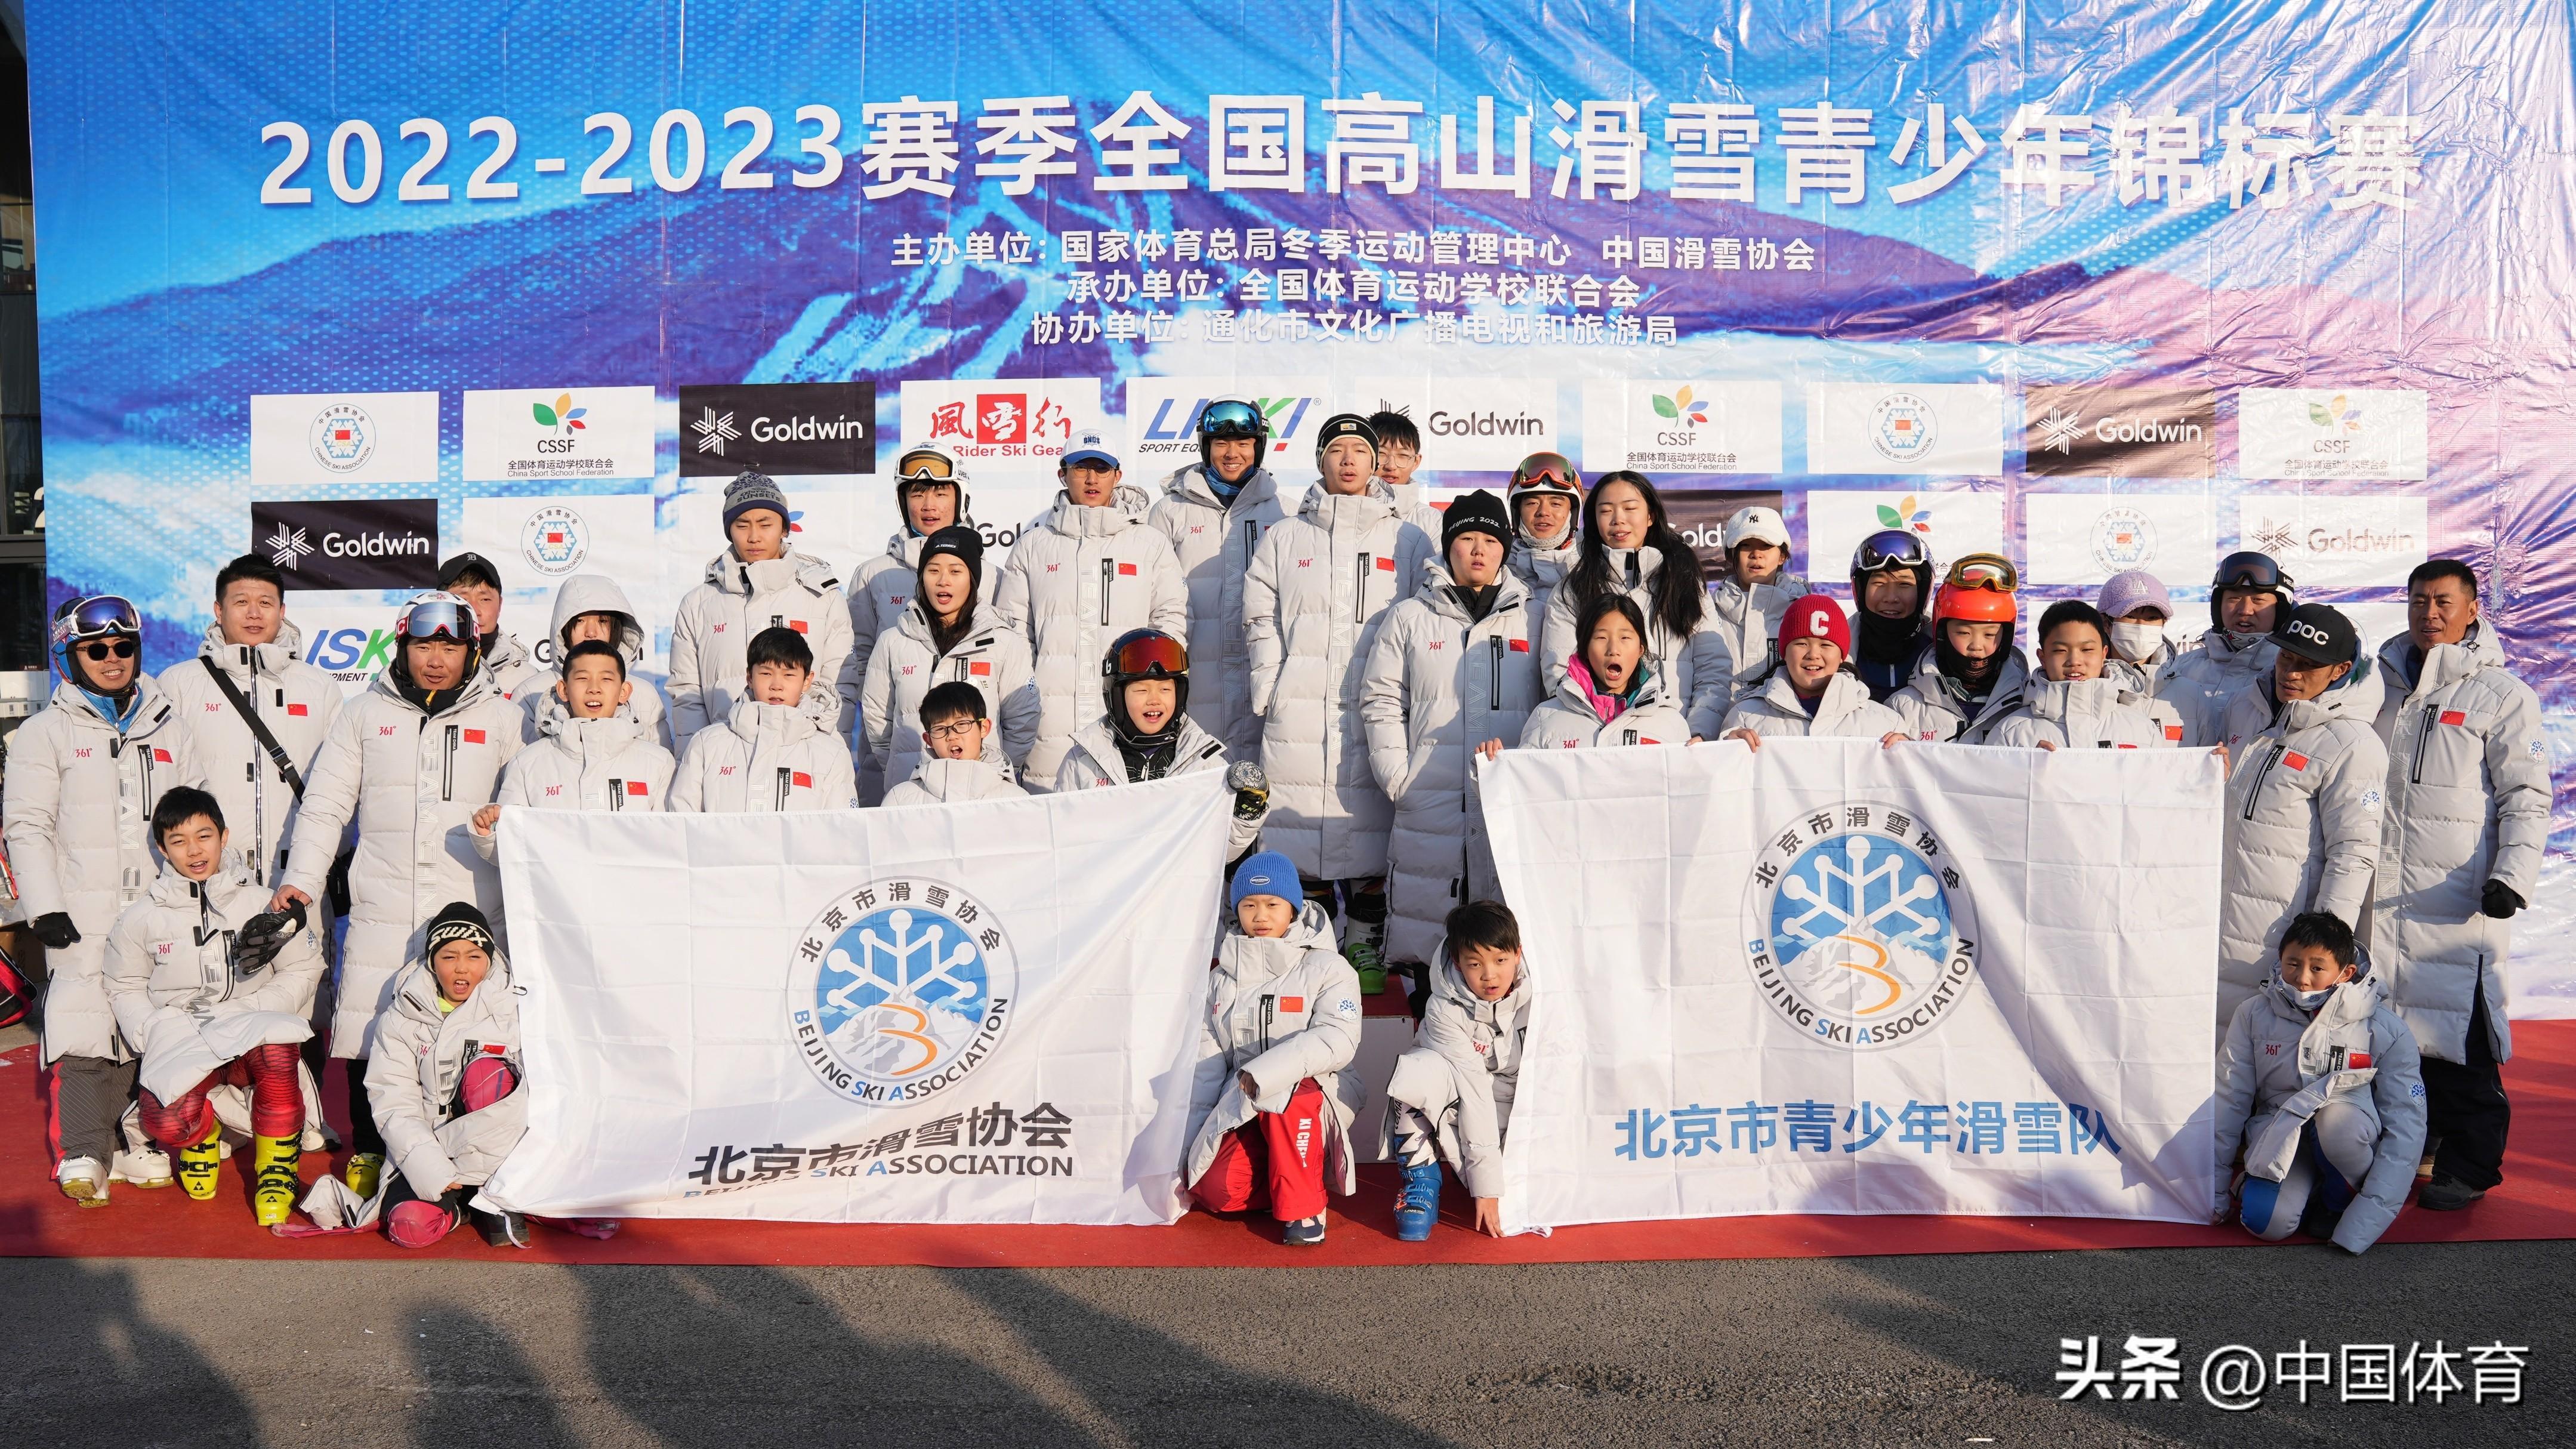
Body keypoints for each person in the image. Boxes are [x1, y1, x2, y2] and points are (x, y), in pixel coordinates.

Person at [273, 590, 525, 1199]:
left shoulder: (503, 720)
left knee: (469, 1034)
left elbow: (524, 815)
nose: (436, 659)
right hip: (383, 906)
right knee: (371, 1024)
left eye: (450, 647)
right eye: (423, 646)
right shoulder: (364, 714)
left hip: (469, 904)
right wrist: (301, 879)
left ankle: (465, 1154)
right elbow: (326, 805)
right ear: (402, 646)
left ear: (472, 652)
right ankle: (368, 1148)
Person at [6, 596, 207, 1204]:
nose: (112, 658)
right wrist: (44, 905)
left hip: (156, 908)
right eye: (96, 649)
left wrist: (198, 893)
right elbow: (27, 826)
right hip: (80, 911)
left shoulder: (171, 726)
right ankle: (83, 1149)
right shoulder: (45, 732)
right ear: (69, 657)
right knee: (85, 1030)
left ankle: (133, 1142)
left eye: (124, 647)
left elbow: (195, 818)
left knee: (152, 1029)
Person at [2366, 560, 2550, 1211]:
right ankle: (2418, 1138)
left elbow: (2527, 795)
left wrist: (2511, 877)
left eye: (2443, 602)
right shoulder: (2378, 686)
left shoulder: (2502, 695)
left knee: (2460, 1032)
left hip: (2458, 899)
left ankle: (2469, 1164)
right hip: (2384, 897)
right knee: (2392, 1031)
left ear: (2473, 609)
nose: (2429, 614)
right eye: (2419, 601)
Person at [1244, 414, 1436, 988]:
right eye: (1336, 450)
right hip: (1299, 706)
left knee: (1373, 829)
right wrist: (1270, 684)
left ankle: (1364, 943)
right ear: (1320, 460)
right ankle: (1312, 942)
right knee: (1298, 829)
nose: (1348, 460)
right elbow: (1259, 615)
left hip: (1376, 707)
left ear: (1375, 464)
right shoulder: (1285, 536)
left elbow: (1423, 617)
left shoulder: (1406, 538)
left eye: (1359, 451)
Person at [104, 788, 327, 1225]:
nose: (194, 851)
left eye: (204, 836)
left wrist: (257, 1010)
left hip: (249, 1034)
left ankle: (276, 1170)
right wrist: (152, 1031)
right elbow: (123, 983)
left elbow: (305, 966)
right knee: (169, 1123)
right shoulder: (141, 917)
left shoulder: (264, 902)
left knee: (278, 1048)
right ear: (162, 849)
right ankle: (203, 1137)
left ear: (224, 836)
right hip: (184, 1037)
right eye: (179, 841)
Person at [1360, 490, 1542, 981]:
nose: (1478, 550)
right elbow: (1380, 698)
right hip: (1428, 796)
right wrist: (1397, 776)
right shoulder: (1410, 616)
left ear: (1505, 548)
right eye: (1466, 538)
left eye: (1490, 539)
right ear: (1448, 545)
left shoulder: (1534, 616)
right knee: (1428, 940)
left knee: (1501, 950)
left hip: (1506, 796)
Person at [2216, 603, 2387, 1029]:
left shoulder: (2352, 743)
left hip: (2281, 939)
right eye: (2285, 657)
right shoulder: (2246, 709)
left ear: (2340, 670)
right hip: (2213, 921)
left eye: (2307, 665)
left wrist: (2324, 946)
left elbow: (2353, 852)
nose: (2290, 672)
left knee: (2268, 1056)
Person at [2214, 912, 2426, 1254]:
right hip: (2279, 1133)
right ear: (2279, 960)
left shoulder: (2384, 1028)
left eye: (2317, 968)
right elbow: (2228, 1098)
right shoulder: (2253, 1014)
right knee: (2264, 1224)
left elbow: (2408, 1125)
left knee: (2337, 1123)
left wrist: (2361, 1227)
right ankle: (2304, 1189)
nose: (2302, 979)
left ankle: (2338, 1201)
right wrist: (2212, 1189)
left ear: (2346, 973)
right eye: (2293, 964)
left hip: (2347, 1138)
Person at [1182, 852, 1365, 1247]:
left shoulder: (1328, 968)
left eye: (1272, 904)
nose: (1260, 916)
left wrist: (1267, 1072)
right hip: (1241, 1099)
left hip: (1316, 1091)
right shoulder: (1220, 979)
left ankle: (1304, 1209)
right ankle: (1291, 1179)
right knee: (1217, 1192)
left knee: (1286, 1092)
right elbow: (1206, 1067)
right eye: (1249, 905)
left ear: (1293, 909)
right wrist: (1186, 1151)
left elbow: (1338, 1038)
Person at [997, 430, 1189, 793]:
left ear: (1117, 476)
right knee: (1051, 816)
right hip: (1050, 720)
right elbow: (1014, 637)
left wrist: (1151, 689)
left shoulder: (1149, 544)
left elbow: (1170, 623)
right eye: (1081, 468)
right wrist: (1025, 704)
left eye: (1101, 469)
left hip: (1128, 716)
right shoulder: (1033, 546)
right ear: (1063, 474)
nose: (1091, 479)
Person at [158, 553, 343, 895]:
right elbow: (163, 787)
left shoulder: (319, 687)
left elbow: (339, 789)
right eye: (241, 602)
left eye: (265, 603)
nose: (254, 613)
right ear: (219, 610)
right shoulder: (178, 684)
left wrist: (317, 867)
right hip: (208, 884)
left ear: (282, 611)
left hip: (299, 884)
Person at [366, 901, 532, 1249]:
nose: (461, 968)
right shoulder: (401, 1017)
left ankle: (494, 1192)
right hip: (433, 1145)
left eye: (474, 956)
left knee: (489, 1073)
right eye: (448, 956)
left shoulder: (517, 1007)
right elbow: (392, 1099)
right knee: (410, 1226)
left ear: (489, 960)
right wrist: (430, 1168)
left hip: (502, 1152)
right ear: (431, 962)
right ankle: (460, 1209)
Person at [668, 468, 857, 756]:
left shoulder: (823, 597)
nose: (754, 537)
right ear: (729, 531)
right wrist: (696, 760)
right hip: (724, 760)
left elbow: (838, 686)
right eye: (742, 525)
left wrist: (826, 754)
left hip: (805, 757)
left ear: (784, 529)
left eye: (765, 524)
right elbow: (687, 694)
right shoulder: (699, 603)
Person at [1535, 470, 1731, 738]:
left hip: (1680, 742)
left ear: (1650, 516)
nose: (1618, 519)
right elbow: (1560, 674)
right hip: (1599, 743)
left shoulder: (1684, 583)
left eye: (1630, 508)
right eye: (1606, 511)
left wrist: (1700, 732)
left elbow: (1713, 667)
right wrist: (1604, 737)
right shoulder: (1573, 590)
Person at [1382, 900, 1531, 1243]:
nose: (1489, 975)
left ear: (1518, 954)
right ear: (1457, 961)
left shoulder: (1542, 997)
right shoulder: (1442, 1009)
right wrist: (1486, 1188)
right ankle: (1421, 1181)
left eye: (1500, 960)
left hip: (1520, 1115)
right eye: (1475, 964)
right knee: (1417, 1072)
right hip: (1464, 1107)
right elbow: (1475, 1090)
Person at [1053, 629, 1270, 863]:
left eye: (1165, 689)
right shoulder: (1083, 762)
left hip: (1179, 884)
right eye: (1141, 690)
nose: (1154, 699)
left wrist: (1245, 813)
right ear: (1116, 696)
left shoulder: (1206, 762)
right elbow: (1061, 840)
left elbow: (1218, 852)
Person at [1149, 401, 1288, 760]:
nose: (1232, 453)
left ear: (1258, 447)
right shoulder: (1170, 511)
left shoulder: (1284, 512)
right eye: (1221, 443)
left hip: (1261, 673)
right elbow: (1157, 598)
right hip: (1194, 676)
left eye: (1244, 443)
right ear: (1205, 446)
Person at [860, 525, 1038, 790]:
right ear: (922, 579)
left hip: (984, 793)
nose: (943, 580)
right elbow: (878, 722)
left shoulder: (1004, 643)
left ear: (972, 580)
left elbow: (1023, 721)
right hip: (913, 791)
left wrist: (995, 777)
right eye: (933, 571)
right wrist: (902, 769)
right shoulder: (892, 641)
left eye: (955, 571)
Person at [850, 445, 978, 803]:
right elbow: (861, 667)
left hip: (972, 761)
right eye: (917, 493)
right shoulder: (872, 575)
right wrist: (895, 754)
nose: (929, 505)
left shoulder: (989, 577)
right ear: (902, 501)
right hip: (896, 755)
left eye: (941, 493)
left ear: (961, 498)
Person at [472, 640, 675, 856]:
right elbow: (512, 853)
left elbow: (672, 845)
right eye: (582, 678)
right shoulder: (528, 764)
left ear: (624, 691)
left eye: (606, 679)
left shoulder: (658, 763)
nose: (594, 688)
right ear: (564, 689)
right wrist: (489, 834)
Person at [671, 626, 858, 811]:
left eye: (789, 675)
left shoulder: (832, 755)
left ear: (807, 681)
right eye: (766, 673)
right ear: (750, 677)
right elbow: (682, 819)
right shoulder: (707, 745)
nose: (776, 685)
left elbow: (841, 827)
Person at [1986, 601, 2184, 750]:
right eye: (2060, 650)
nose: (2075, 661)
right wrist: (2027, 771)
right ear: (2042, 657)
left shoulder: (2141, 728)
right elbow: (1992, 792)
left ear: (2104, 654)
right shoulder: (2010, 733)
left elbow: (2160, 789)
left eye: (2087, 650)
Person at [1719, 594, 1908, 744]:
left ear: (1842, 656)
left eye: (1826, 645)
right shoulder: (1745, 717)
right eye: (1801, 643)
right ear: (1785, 652)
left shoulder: (1887, 724)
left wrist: (1909, 754)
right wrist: (1728, 750)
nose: (1813, 654)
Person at [1887, 554, 2031, 744]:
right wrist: (1897, 754)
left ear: (2006, 639)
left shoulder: (2028, 706)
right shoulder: (1904, 707)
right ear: (1942, 635)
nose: (1976, 646)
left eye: (1990, 635)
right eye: (1964, 633)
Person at [520, 572, 670, 750]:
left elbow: (661, 761)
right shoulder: (530, 693)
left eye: (602, 621)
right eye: (580, 621)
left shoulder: (644, 694)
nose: (591, 632)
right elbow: (522, 761)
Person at [1522, 595, 1693, 749]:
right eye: (1601, 638)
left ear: (1641, 649)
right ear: (1585, 649)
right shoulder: (1545, 718)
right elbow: (1525, 773)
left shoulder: (1671, 723)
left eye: (1625, 638)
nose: (1614, 650)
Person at [2163, 551, 2290, 747]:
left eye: (2258, 600)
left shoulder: (2287, 677)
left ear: (2279, 610)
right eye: (2234, 599)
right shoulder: (2183, 667)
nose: (2245, 610)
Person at [1708, 505, 1807, 701]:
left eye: (1766, 546)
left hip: (1783, 719)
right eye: (1746, 545)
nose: (1756, 554)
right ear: (1732, 555)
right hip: (1721, 719)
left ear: (1782, 556)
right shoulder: (1707, 612)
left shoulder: (1804, 613)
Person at [881, 683, 1030, 807]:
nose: (952, 736)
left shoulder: (1017, 800)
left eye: (962, 724)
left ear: (984, 728)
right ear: (929, 740)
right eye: (940, 729)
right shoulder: (900, 800)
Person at [438, 553, 544, 705]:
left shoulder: (528, 681)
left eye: (485, 599)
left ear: (500, 605)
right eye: (462, 600)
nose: (474, 611)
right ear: (439, 604)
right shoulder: (422, 671)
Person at [1849, 530, 1934, 703]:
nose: (1891, 598)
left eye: (1904, 584)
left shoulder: (1941, 651)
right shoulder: (1837, 655)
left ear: (1922, 592)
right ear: (1861, 590)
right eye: (1879, 583)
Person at [1503, 451, 1582, 628]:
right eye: (1532, 503)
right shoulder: (1496, 573)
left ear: (1572, 512)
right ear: (1517, 512)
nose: (1543, 512)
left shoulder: (1593, 572)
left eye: (1556, 504)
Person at [2095, 569, 2179, 696]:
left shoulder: (2190, 689)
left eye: (2152, 618)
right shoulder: (2086, 683)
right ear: (2106, 623)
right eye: (2130, 616)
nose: (2141, 626)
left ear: (2164, 622)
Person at [1366, 409, 1448, 534]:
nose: (1391, 466)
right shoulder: (1341, 513)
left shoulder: (1435, 523)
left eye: (1402, 456)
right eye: (1381, 453)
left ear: (1416, 462)